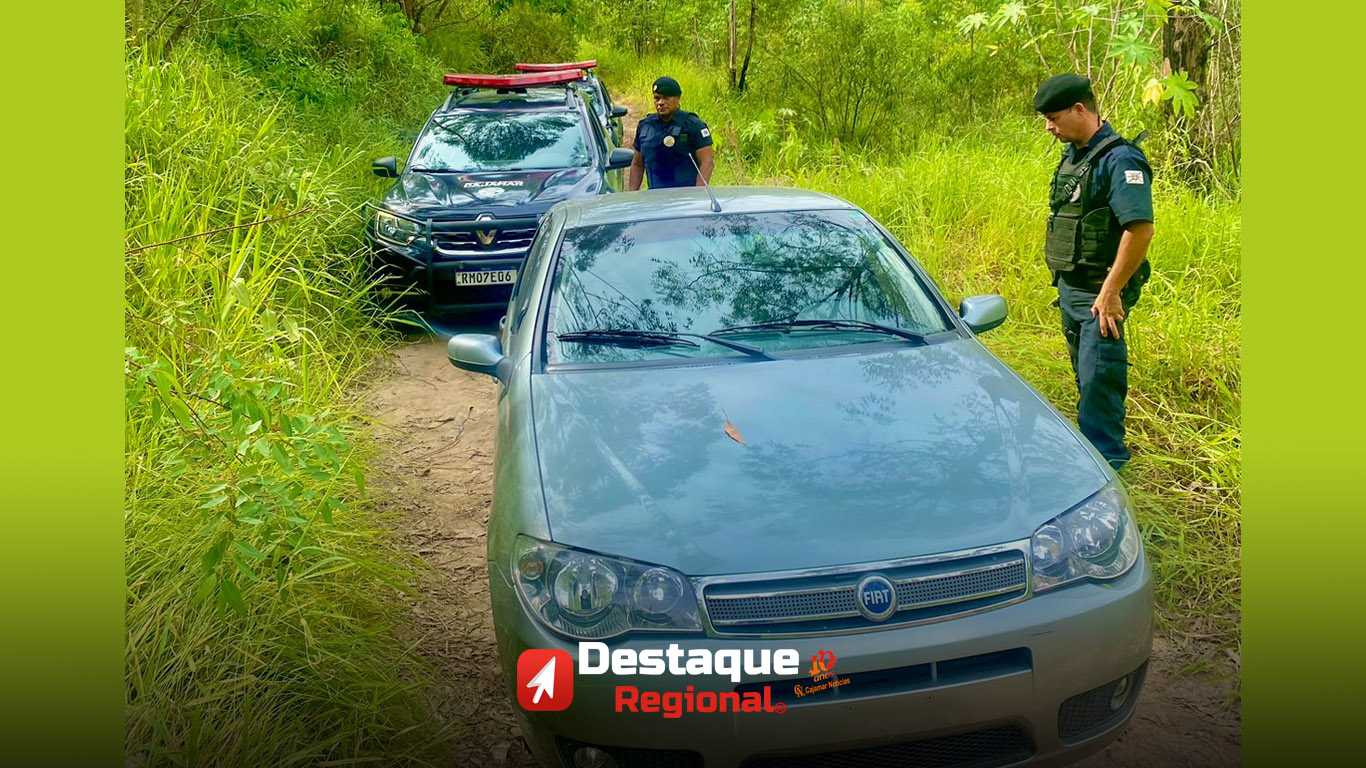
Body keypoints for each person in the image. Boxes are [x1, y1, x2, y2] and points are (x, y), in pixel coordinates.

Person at [1034, 73, 1155, 471]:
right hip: (1072, 288)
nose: (1049, 127)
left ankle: (1107, 475)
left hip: (1100, 296)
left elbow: (1139, 229)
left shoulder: (1120, 159)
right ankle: (1091, 462)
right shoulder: (1075, 155)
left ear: (1080, 109)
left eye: (1053, 118)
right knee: (1085, 380)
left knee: (1099, 382)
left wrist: (1110, 291)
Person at [628, 76, 715, 190]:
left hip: (686, 197)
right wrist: (633, 196)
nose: (660, 103)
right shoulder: (645, 126)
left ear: (678, 98)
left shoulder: (693, 125)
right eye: (657, 98)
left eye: (666, 98)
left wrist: (697, 194)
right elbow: (637, 164)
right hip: (654, 196)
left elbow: (707, 162)